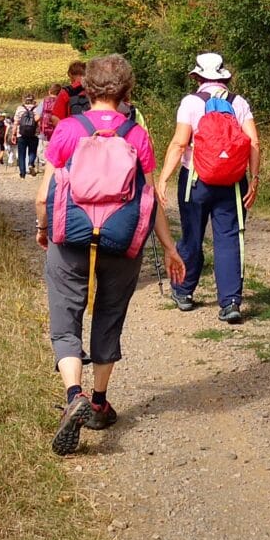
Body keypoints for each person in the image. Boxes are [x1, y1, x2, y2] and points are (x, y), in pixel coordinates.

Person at [37, 53, 186, 453]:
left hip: (70, 234)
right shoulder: (137, 136)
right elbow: (150, 199)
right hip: (121, 238)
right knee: (109, 314)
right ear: (126, 91)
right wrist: (170, 248)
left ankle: (74, 397)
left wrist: (43, 228)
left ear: (86, 88)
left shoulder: (68, 130)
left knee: (65, 319)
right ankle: (99, 402)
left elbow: (43, 195)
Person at [156, 52, 260, 323]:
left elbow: (180, 143)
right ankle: (230, 302)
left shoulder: (190, 102)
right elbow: (254, 143)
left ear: (197, 77)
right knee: (229, 238)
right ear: (224, 76)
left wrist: (164, 177)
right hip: (233, 182)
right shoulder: (239, 103)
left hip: (196, 180)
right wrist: (255, 177)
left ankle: (183, 291)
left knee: (192, 235)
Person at [14, 94, 42, 178]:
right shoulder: (37, 109)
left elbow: (16, 122)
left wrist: (13, 133)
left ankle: (22, 173)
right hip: (34, 133)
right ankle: (30, 163)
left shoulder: (20, 108)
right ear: (33, 100)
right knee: (32, 151)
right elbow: (39, 122)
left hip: (21, 134)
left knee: (21, 154)